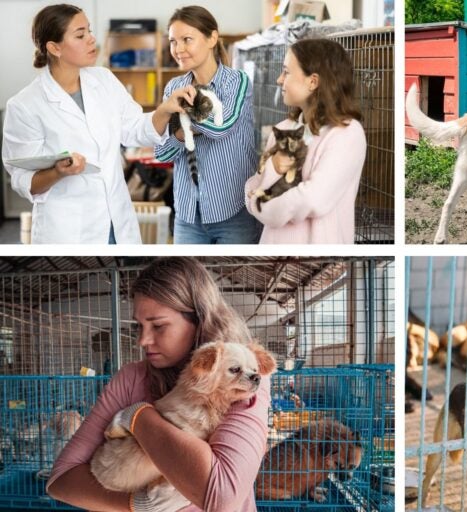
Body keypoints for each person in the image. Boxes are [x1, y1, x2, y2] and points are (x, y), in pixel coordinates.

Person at [46, 257, 270, 511]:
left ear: (199, 321)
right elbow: (61, 479)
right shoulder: (132, 377)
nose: (143, 340)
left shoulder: (241, 379)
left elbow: (221, 496)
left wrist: (138, 417)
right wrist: (139, 504)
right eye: (139, 326)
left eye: (159, 326)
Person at [2, 4, 195, 244]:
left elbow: (135, 128)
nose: (92, 39)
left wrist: (165, 109)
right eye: (80, 35)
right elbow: (23, 181)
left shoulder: (103, 80)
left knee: (123, 281)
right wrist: (57, 171)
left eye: (89, 31)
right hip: (70, 232)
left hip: (118, 222)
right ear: (54, 47)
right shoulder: (24, 105)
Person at [154, 6, 262, 244]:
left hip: (234, 211)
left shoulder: (237, 82)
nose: (178, 49)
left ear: (212, 38)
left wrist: (185, 119)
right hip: (188, 215)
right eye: (173, 41)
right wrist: (183, 134)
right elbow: (161, 152)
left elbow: (220, 129)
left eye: (186, 40)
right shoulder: (173, 88)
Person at [244, 38, 366, 244]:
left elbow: (313, 199)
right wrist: (269, 173)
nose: (279, 80)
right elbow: (253, 187)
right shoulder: (282, 130)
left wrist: (259, 203)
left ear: (313, 81)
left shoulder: (346, 133)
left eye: (286, 72)